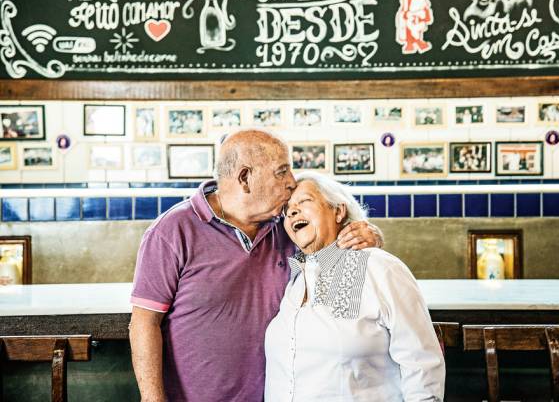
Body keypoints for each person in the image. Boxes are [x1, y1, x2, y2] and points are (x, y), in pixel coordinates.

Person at [129, 130, 382, 402]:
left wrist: (368, 236)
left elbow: (330, 261)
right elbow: (144, 322)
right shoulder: (172, 231)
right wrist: (153, 399)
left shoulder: (286, 228)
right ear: (245, 178)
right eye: (282, 171)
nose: (291, 182)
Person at [265, 172, 445, 401]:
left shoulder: (378, 267)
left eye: (305, 201)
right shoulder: (294, 279)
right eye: (287, 209)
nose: (292, 211)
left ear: (338, 211)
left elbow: (421, 364)